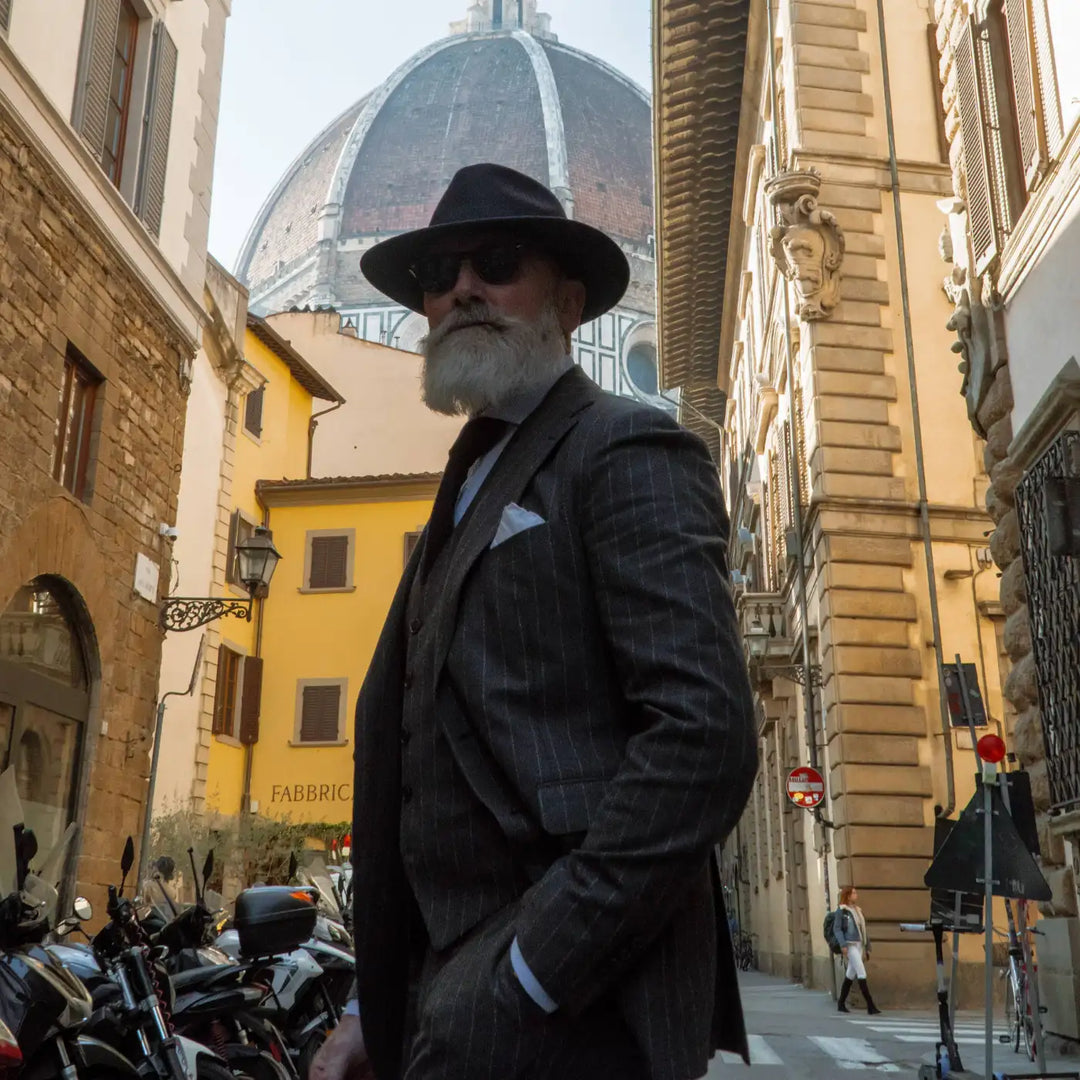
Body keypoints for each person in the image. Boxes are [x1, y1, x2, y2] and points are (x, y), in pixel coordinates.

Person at [311, 163, 757, 1080]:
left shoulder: (626, 447)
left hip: (576, 1016)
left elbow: (703, 737)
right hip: (453, 1009)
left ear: (571, 300)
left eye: (499, 262)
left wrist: (528, 974)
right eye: (440, 274)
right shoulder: (470, 477)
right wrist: (375, 1004)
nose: (463, 288)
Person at [834, 886, 881, 1015]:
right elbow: (837, 929)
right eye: (854, 893)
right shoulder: (842, 911)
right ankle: (870, 1006)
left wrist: (867, 947)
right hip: (850, 945)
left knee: (850, 974)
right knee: (861, 973)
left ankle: (841, 1003)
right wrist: (843, 944)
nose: (856, 895)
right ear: (848, 895)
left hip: (860, 944)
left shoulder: (858, 910)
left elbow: (863, 930)